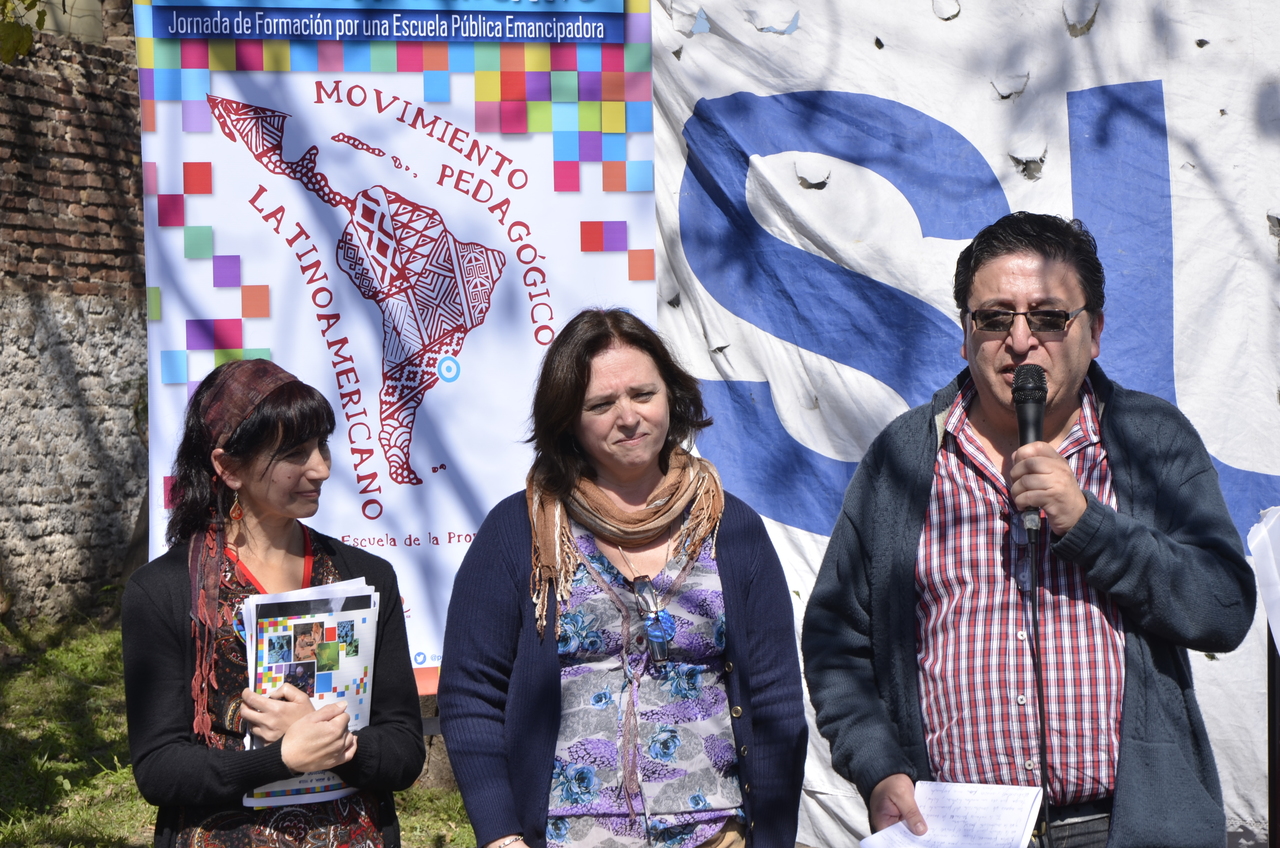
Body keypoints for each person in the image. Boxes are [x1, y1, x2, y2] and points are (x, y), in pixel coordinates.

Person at [802, 212, 1256, 848]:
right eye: (995, 318)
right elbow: (836, 639)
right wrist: (878, 767)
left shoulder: (1151, 441)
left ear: (1094, 332)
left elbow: (1223, 608)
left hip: (1124, 827)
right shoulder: (904, 457)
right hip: (958, 830)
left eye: (1048, 317)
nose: (1020, 341)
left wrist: (1089, 525)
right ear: (965, 335)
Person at [438, 309, 807, 848]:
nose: (628, 417)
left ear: (671, 396)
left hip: (715, 833)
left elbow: (775, 697)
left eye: (642, 394)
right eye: (601, 404)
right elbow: (471, 694)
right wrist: (501, 835)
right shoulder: (519, 531)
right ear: (568, 420)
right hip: (569, 836)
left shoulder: (731, 528)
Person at [123, 359, 425, 848]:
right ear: (228, 467)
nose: (321, 468)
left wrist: (334, 745)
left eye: (322, 445)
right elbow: (159, 769)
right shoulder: (164, 592)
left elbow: (405, 749)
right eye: (295, 453)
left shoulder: (366, 578)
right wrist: (280, 757)